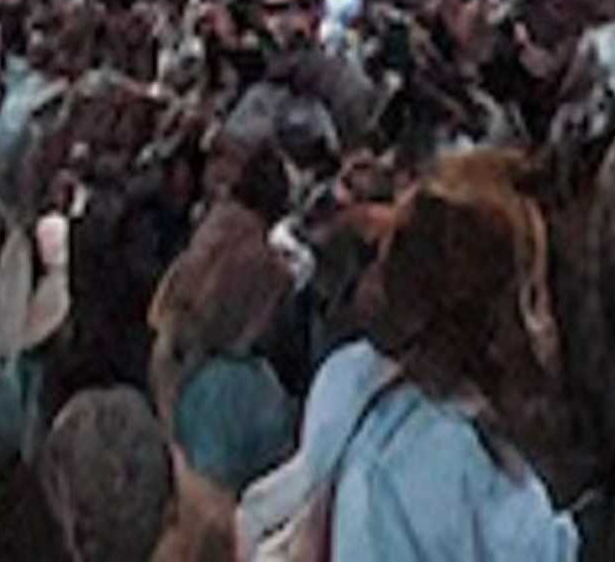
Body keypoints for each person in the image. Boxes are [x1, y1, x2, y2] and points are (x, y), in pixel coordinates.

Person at [241, 177, 573, 562]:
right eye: (532, 293)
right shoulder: (446, 460)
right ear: (495, 311)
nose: (545, 320)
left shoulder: (349, 377)